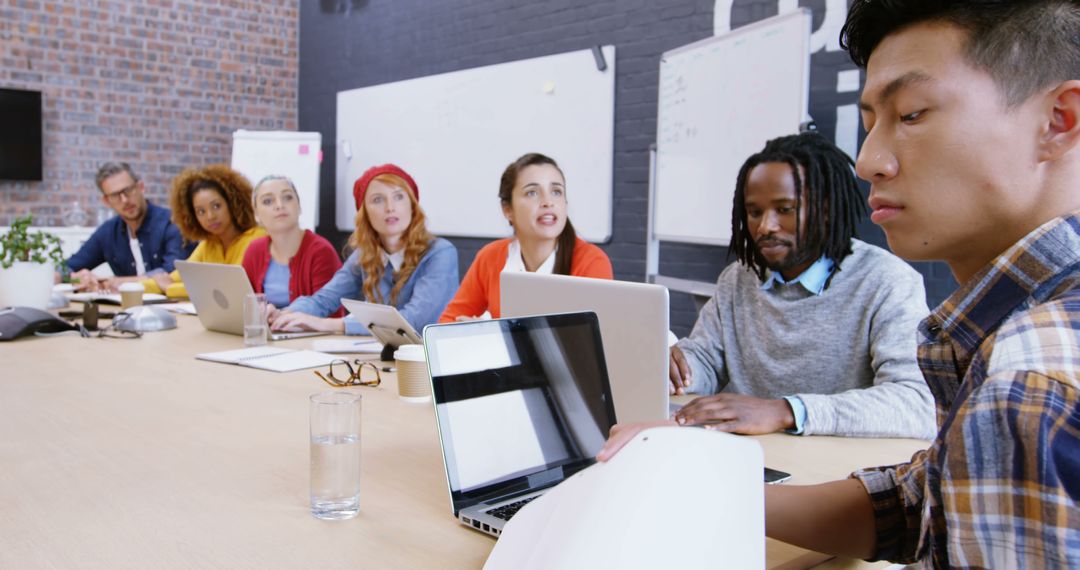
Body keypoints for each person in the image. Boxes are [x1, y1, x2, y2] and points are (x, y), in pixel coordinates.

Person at [601, 1, 1080, 566]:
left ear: (1059, 120)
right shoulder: (738, 281)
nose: (869, 160)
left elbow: (909, 406)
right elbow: (921, 502)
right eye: (871, 121)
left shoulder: (1028, 381)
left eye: (912, 113)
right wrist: (680, 392)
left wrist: (787, 408)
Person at [666, 132, 933, 439]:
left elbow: (916, 403)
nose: (766, 226)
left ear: (826, 208)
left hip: (835, 473)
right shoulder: (738, 278)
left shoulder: (886, 281)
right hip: (750, 457)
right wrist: (679, 369)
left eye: (785, 209)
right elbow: (707, 362)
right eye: (754, 213)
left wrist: (786, 411)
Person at [269, 164, 458, 334]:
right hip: (378, 359)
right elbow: (323, 300)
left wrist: (328, 324)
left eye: (399, 197)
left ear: (412, 206)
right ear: (364, 213)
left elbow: (414, 322)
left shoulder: (440, 253)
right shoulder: (364, 255)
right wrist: (282, 315)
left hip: (422, 365)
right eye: (378, 200)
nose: (390, 207)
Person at [438, 152, 613, 322]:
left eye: (556, 192)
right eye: (532, 193)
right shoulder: (491, 257)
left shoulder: (591, 262)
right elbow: (447, 323)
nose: (548, 201)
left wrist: (486, 334)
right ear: (507, 210)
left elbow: (598, 342)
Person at [61, 162, 191, 291]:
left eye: (128, 191)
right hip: (127, 309)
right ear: (106, 201)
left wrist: (116, 282)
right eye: (115, 195)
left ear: (140, 187)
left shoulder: (173, 223)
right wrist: (78, 279)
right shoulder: (107, 232)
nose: (124, 200)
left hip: (172, 307)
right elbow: (64, 270)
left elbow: (172, 274)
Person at [143, 164, 266, 298]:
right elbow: (174, 278)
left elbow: (225, 288)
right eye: (201, 211)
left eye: (216, 206)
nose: (210, 216)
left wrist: (169, 288)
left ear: (233, 203)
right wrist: (131, 287)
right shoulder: (207, 245)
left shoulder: (256, 239)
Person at [241, 175, 342, 310]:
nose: (279, 205)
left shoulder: (321, 251)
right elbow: (245, 306)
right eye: (268, 201)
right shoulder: (254, 250)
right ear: (256, 215)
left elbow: (331, 313)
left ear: (299, 206)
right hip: (266, 330)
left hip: (313, 331)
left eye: (287, 197)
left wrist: (278, 318)